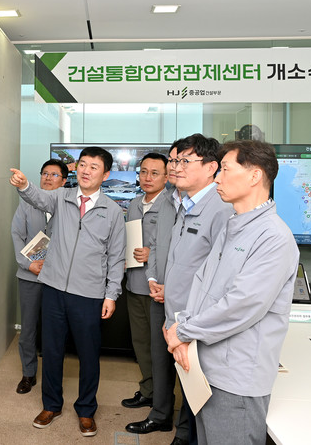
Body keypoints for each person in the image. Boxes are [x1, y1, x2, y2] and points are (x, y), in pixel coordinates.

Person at [165, 140, 299, 444]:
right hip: (206, 367)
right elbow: (202, 284)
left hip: (236, 379)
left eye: (225, 169)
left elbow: (241, 305)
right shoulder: (233, 225)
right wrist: (183, 328)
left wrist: (183, 331)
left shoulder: (274, 237)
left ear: (254, 175)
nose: (217, 179)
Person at [9, 146, 126, 438]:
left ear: (106, 175)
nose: (86, 171)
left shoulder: (112, 211)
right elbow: (37, 197)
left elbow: (117, 257)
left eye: (94, 167)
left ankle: (86, 410)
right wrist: (24, 185)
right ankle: (51, 405)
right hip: (53, 288)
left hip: (89, 294)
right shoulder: (61, 197)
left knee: (88, 354)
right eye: (82, 164)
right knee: (51, 350)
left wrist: (111, 295)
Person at [126, 134, 233, 445]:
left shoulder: (221, 208)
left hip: (193, 311)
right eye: (174, 160)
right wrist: (156, 282)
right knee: (167, 365)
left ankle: (185, 433)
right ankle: (166, 419)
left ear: (212, 167)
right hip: (169, 301)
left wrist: (177, 297)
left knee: (193, 375)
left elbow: (217, 271)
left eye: (184, 161)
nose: (176, 167)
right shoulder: (181, 203)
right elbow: (169, 252)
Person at [10, 158, 68, 394]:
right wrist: (28, 264)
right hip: (30, 276)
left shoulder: (68, 206)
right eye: (44, 173)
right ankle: (28, 373)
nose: (47, 178)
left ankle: (54, 375)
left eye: (54, 175)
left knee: (56, 328)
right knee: (28, 329)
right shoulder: (26, 203)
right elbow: (16, 234)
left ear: (64, 181)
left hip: (59, 277)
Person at [120, 152, 172, 410]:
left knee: (159, 347)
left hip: (158, 287)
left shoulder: (172, 205)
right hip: (134, 283)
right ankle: (148, 390)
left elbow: (181, 246)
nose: (147, 177)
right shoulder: (133, 204)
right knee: (140, 342)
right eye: (143, 172)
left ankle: (162, 399)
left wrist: (154, 253)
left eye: (154, 173)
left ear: (167, 176)